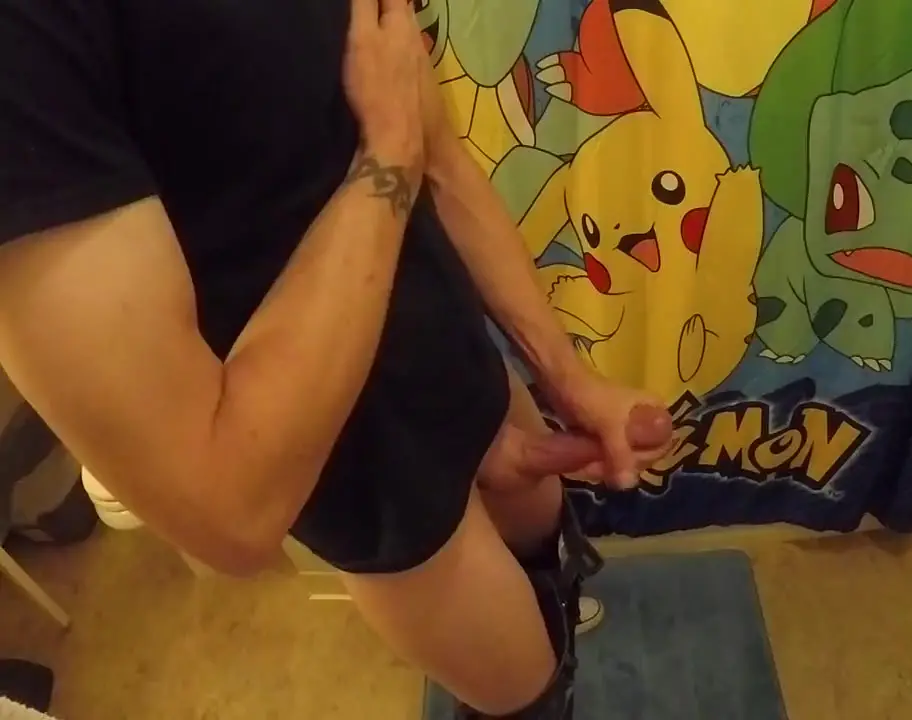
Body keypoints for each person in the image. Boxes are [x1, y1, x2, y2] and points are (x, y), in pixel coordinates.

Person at [0, 0, 673, 717]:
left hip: (447, 344)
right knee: (527, 693)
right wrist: (389, 150)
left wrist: (568, 375)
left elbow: (437, 151)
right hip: (351, 460)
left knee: (547, 544)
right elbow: (229, 502)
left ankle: (552, 614)